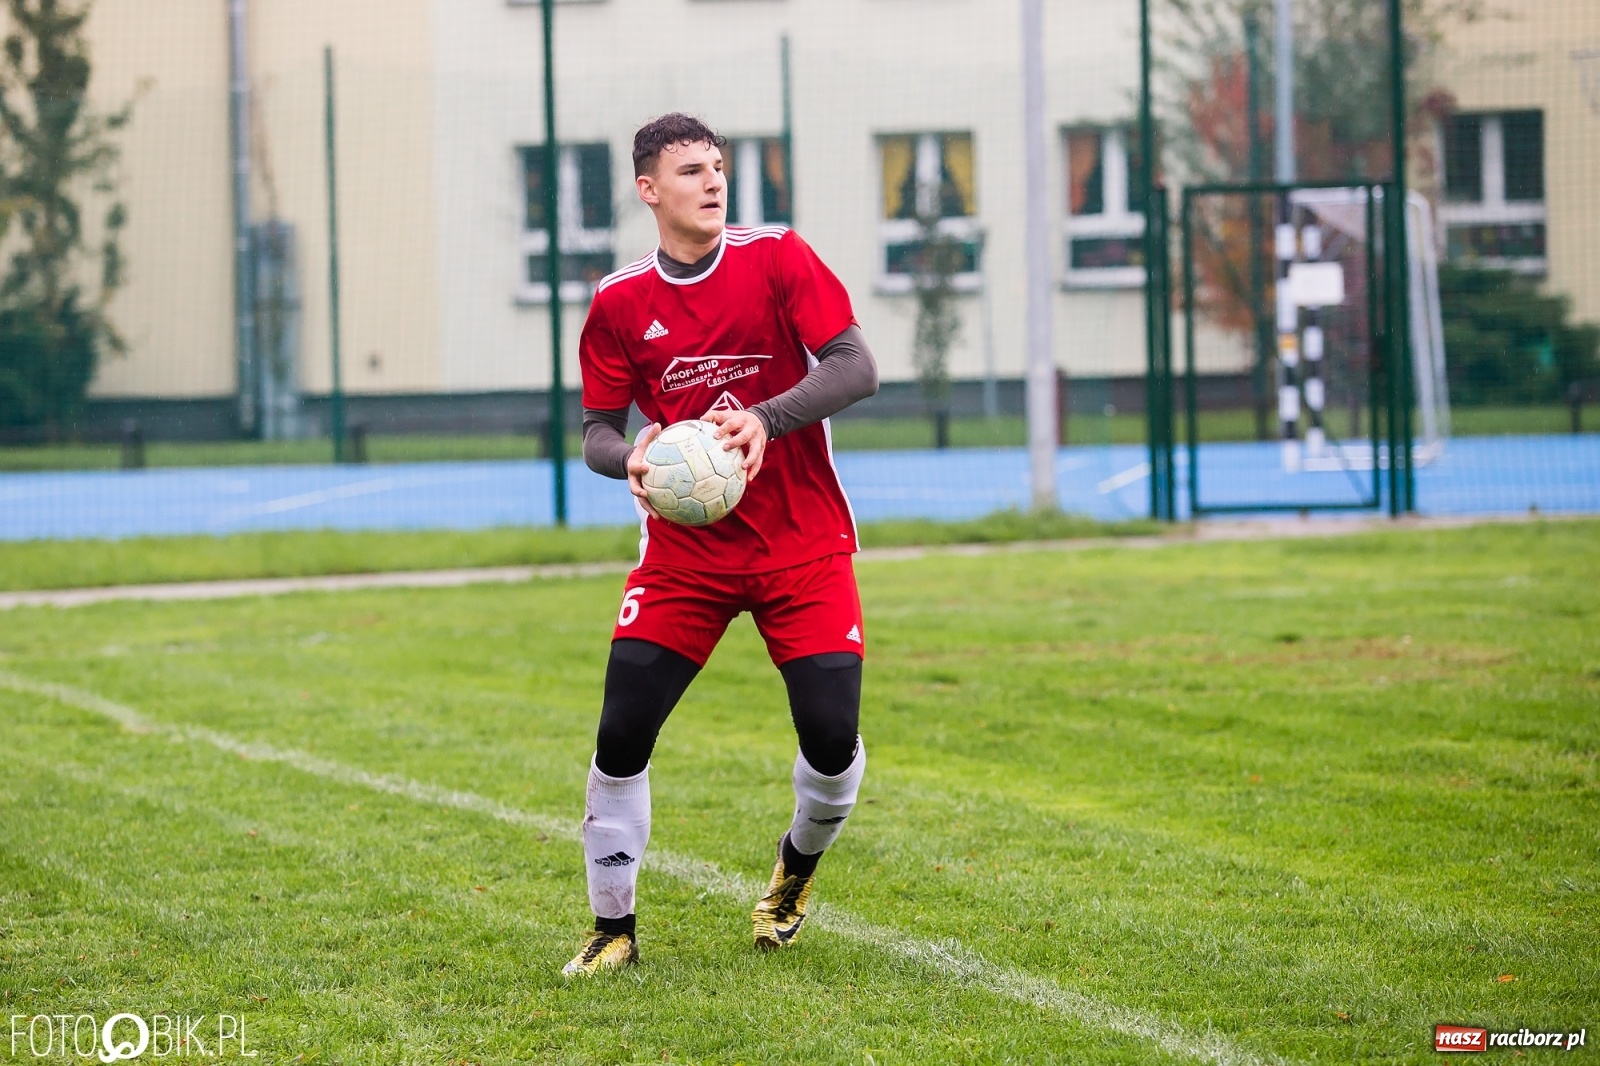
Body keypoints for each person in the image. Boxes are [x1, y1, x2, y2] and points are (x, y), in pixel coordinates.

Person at [563, 113, 879, 975]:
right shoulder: (621, 301)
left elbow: (856, 364)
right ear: (648, 189)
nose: (712, 182)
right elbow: (594, 427)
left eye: (718, 168)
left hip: (803, 545)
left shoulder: (777, 257)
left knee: (829, 735)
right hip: (685, 558)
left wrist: (767, 419)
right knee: (622, 730)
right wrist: (627, 455)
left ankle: (793, 873)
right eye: (691, 171)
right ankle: (613, 930)